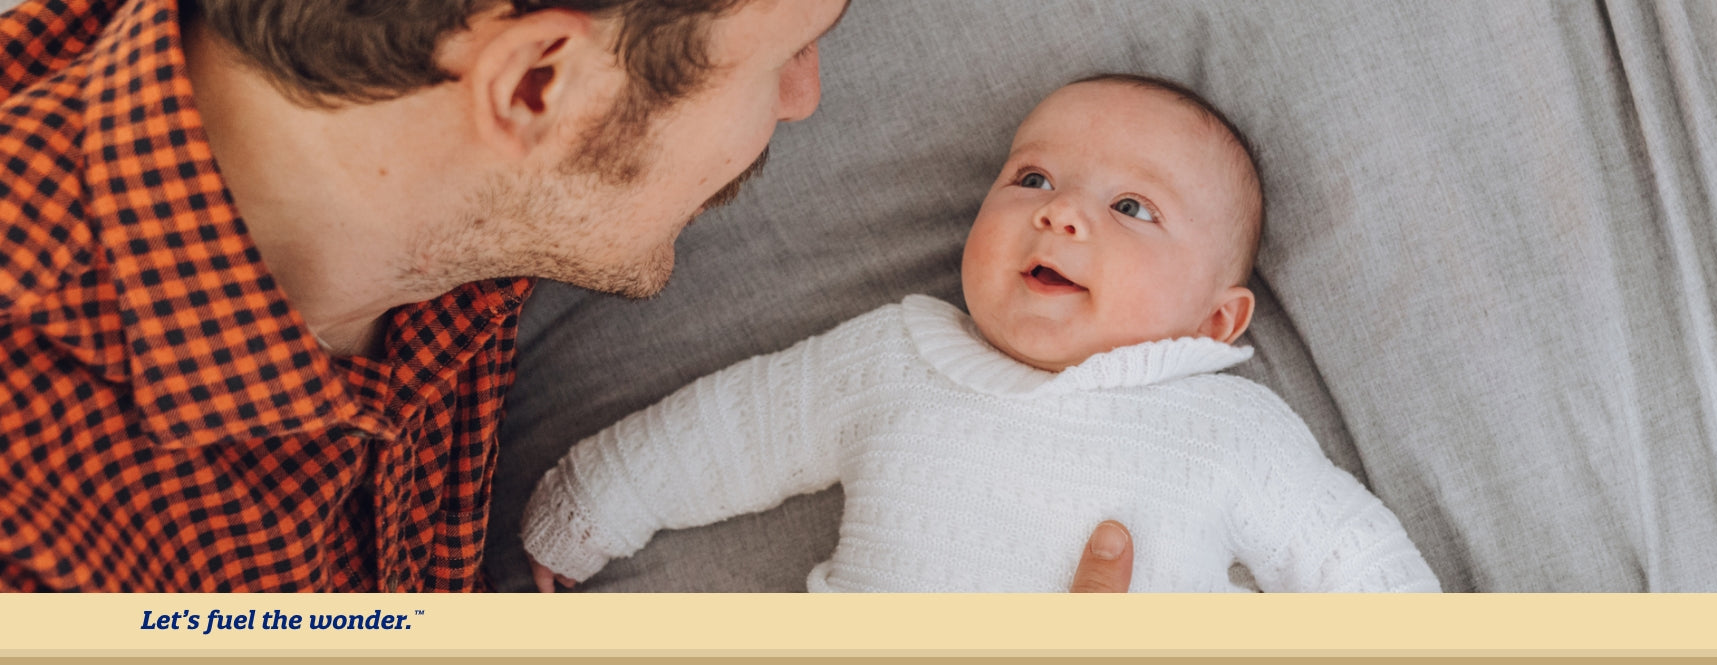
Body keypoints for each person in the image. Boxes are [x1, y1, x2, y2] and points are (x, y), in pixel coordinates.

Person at [0, 0, 1133, 591]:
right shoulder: (56, 560)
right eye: (784, 53)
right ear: (541, 85)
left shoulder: (409, 172)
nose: (805, 100)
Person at [520, 75, 1441, 592]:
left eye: (1130, 206)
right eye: (1034, 180)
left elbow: (1357, 563)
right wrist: (589, 501)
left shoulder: (1231, 429)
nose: (1063, 216)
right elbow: (734, 427)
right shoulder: (895, 356)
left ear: (1216, 319)